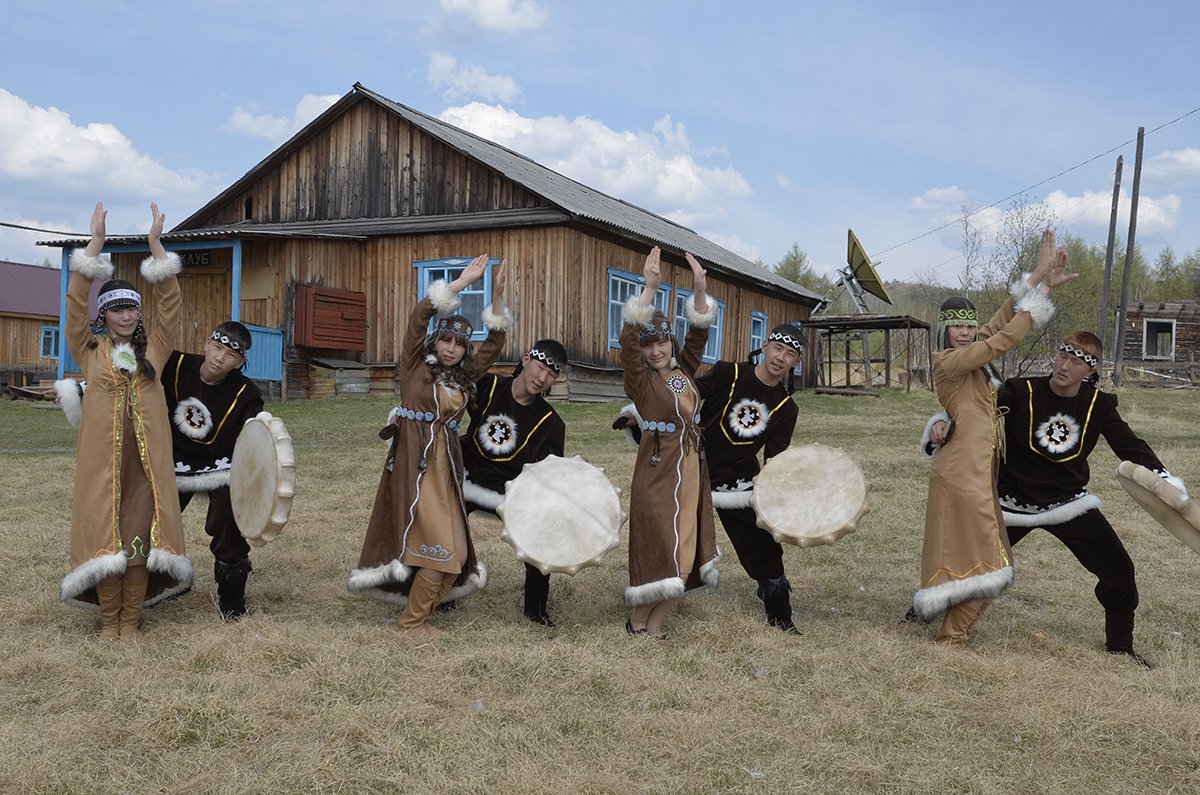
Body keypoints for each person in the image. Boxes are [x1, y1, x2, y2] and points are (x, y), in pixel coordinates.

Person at [921, 331, 1187, 666]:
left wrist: (1163, 479)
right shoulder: (1020, 391)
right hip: (1011, 501)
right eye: (1063, 356)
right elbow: (974, 409)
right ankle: (922, 612)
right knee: (966, 561)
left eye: (1076, 362)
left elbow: (1129, 445)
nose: (1064, 366)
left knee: (1119, 568)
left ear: (1090, 371)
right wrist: (943, 424)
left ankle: (1120, 646)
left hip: (1067, 503)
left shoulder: (1099, 405)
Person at [913, 229, 1073, 647]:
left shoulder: (970, 355)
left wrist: (1037, 277)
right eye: (957, 328)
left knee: (984, 553)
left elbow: (998, 323)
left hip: (975, 471)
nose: (966, 334)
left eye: (969, 328)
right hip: (960, 474)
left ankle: (953, 631)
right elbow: (1000, 340)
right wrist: (1034, 307)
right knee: (990, 555)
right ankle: (953, 637)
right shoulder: (950, 361)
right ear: (944, 333)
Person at [347, 255, 510, 634]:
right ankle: (412, 624)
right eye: (446, 339)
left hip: (446, 466)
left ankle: (420, 616)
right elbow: (419, 316)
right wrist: (460, 284)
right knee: (435, 548)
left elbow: (496, 341)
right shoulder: (415, 365)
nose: (451, 348)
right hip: (413, 463)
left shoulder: (465, 375)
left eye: (459, 343)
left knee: (457, 552)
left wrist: (498, 299)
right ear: (436, 340)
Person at [58, 201, 192, 640]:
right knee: (105, 540)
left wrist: (157, 248)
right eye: (116, 309)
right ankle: (107, 620)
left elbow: (170, 307)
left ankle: (129, 622)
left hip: (144, 470)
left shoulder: (153, 353)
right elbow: (75, 304)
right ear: (105, 315)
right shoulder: (90, 350)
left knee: (138, 541)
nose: (127, 315)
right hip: (102, 469)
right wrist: (94, 246)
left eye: (132, 309)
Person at [615, 324, 803, 632]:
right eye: (778, 348)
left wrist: (782, 496)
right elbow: (683, 394)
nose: (781, 357)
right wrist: (638, 411)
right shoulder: (728, 373)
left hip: (736, 483)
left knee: (763, 548)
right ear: (765, 346)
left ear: (795, 362)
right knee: (671, 543)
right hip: (690, 467)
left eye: (790, 354)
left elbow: (775, 458)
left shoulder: (786, 407)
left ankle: (779, 612)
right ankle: (647, 605)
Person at [619, 246, 719, 640]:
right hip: (659, 474)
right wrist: (649, 290)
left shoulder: (681, 376)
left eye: (662, 342)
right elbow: (627, 341)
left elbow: (697, 337)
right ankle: (638, 621)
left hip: (691, 470)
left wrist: (699, 290)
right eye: (649, 344)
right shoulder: (640, 380)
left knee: (685, 551)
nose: (657, 350)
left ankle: (653, 628)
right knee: (665, 549)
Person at [460, 339, 568, 626]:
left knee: (540, 533)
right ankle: (446, 589)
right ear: (525, 359)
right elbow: (448, 404)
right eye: (540, 367)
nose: (542, 377)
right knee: (444, 525)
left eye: (551, 374)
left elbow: (548, 473)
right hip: (468, 475)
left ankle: (536, 610)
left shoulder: (550, 422)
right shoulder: (488, 386)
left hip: (511, 489)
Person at [163, 321, 265, 620]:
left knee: (228, 520)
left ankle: (232, 601)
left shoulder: (248, 394)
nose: (220, 358)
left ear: (240, 362)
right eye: (217, 348)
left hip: (220, 464)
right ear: (206, 343)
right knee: (152, 516)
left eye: (230, 355)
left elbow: (255, 435)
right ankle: (159, 582)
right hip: (171, 458)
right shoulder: (175, 365)